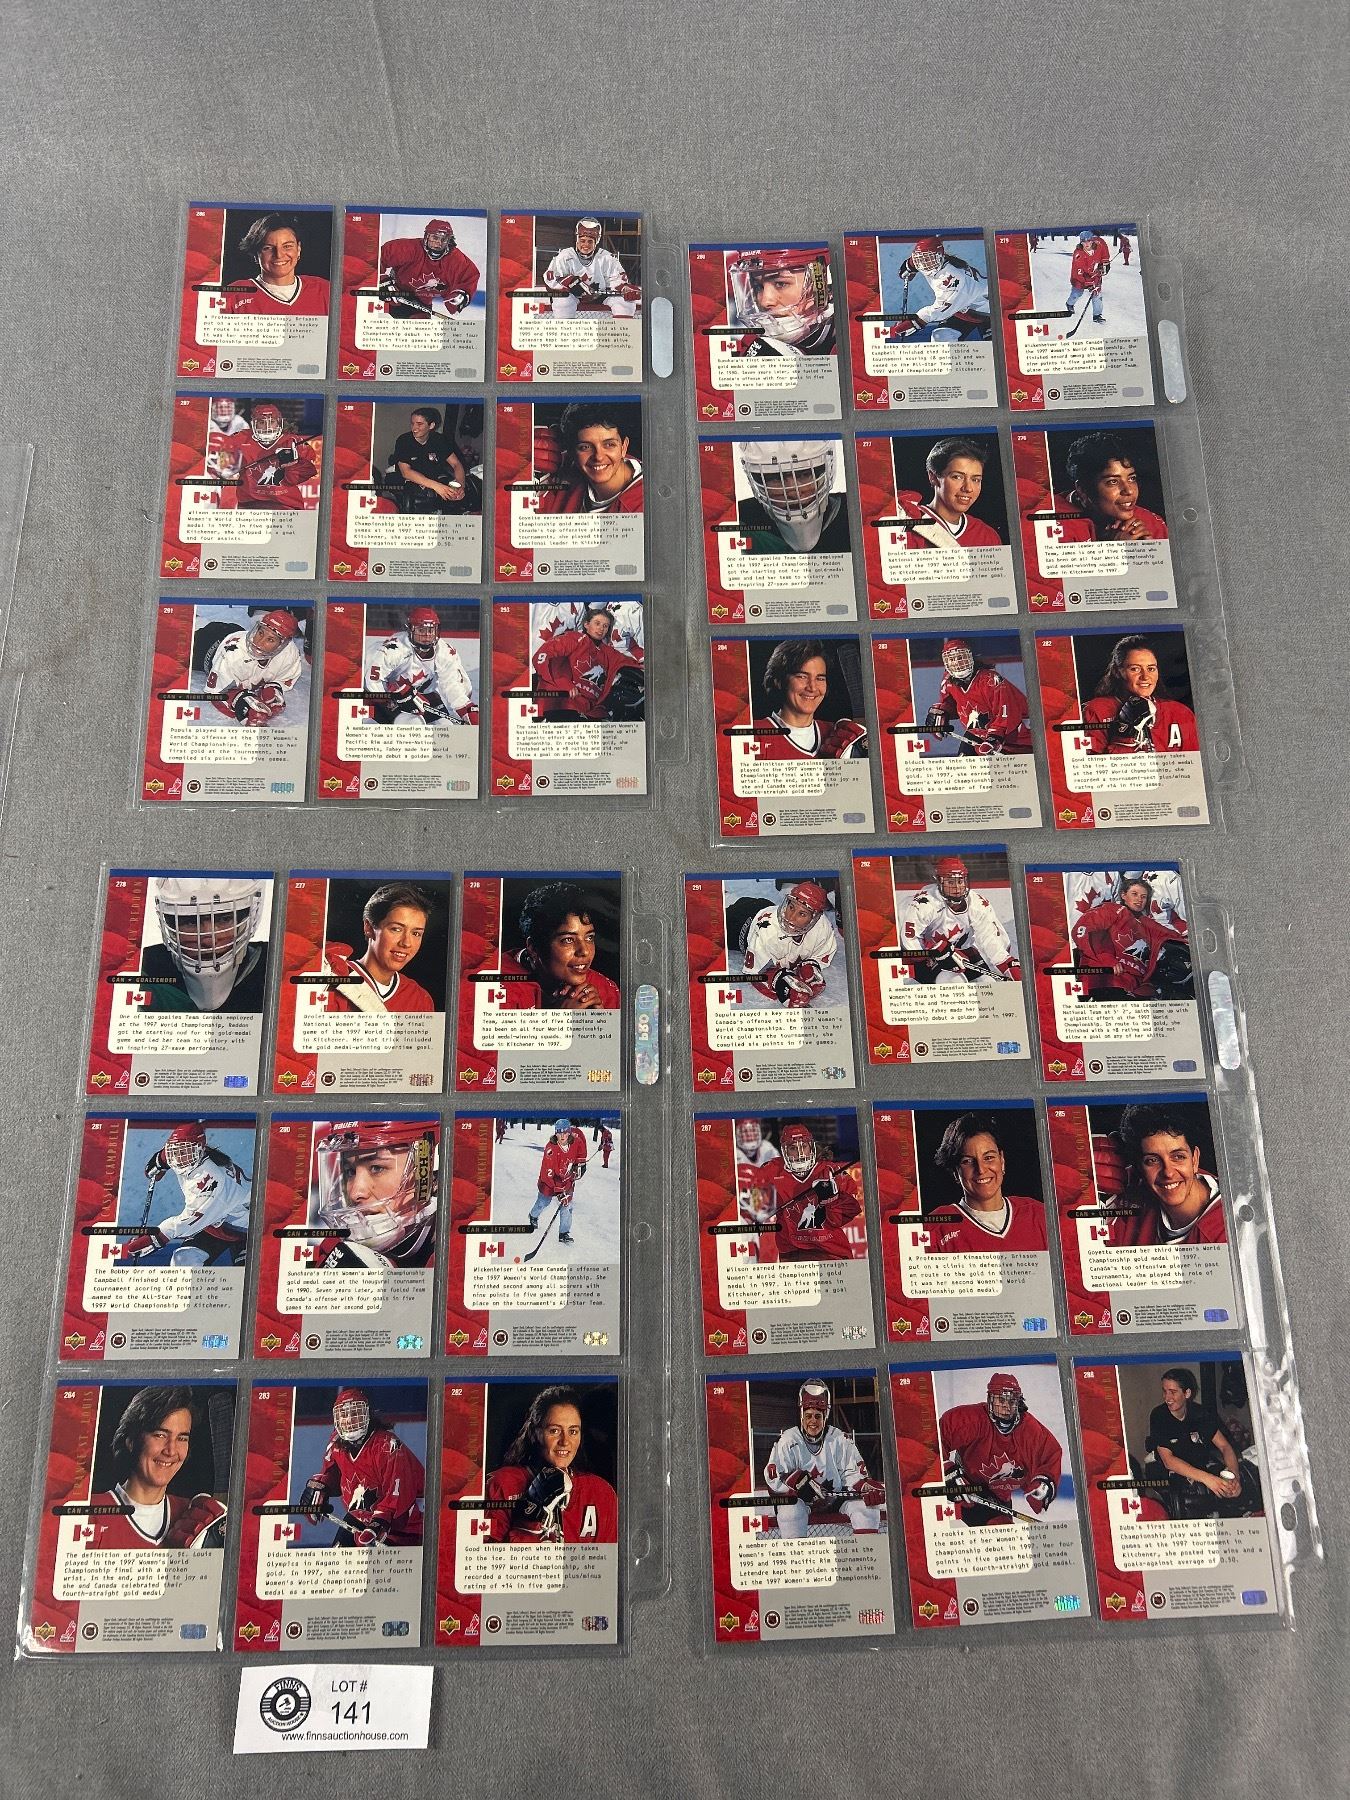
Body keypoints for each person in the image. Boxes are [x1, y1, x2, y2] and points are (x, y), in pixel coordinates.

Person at [87, 1385, 226, 1548]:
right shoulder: (88, 1511)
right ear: (131, 1441)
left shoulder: (196, 1514)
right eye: (160, 1435)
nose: (171, 1450)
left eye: (181, 1438)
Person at [485, 1385, 618, 1542]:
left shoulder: (600, 1492)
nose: (565, 1441)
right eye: (554, 1430)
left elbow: (611, 1556)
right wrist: (529, 1522)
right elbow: (485, 1556)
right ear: (535, 1433)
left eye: (573, 1431)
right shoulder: (502, 1485)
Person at [298, 1388, 424, 1547]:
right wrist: (321, 1486)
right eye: (344, 1415)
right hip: (361, 1519)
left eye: (355, 1413)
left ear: (367, 1415)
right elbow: (332, 1474)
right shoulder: (336, 1443)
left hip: (404, 1527)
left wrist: (380, 1522)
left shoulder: (387, 1445)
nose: (349, 1420)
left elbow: (399, 1490)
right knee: (338, 1560)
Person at [309, 1119, 438, 1269]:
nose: (355, 1193)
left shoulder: (457, 1260)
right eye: (350, 1172)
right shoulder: (334, 1253)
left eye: (377, 1168)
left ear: (431, 1173)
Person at [118, 1123, 251, 1267]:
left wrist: (156, 1237)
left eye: (183, 1153)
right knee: (183, 1261)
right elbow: (172, 1153)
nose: (177, 1159)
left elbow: (191, 1219)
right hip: (215, 1224)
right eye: (175, 1152)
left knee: (247, 1273)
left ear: (200, 1149)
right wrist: (160, 1161)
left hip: (247, 1228)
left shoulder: (211, 1177)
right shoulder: (195, 1156)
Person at [764, 1380, 885, 1537]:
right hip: (801, 1502)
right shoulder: (788, 1440)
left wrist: (865, 1487)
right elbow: (774, 1482)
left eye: (817, 1416)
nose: (813, 1421)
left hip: (836, 1499)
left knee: (867, 1510)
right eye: (808, 1416)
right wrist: (792, 1481)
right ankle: (797, 1553)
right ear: (801, 1415)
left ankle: (864, 1553)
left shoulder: (839, 1438)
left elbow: (852, 1475)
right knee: (790, 1513)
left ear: (825, 1416)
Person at [939, 1372, 1061, 1526]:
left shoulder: (1030, 1431)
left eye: (1012, 1401)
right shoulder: (971, 1420)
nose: (1006, 1407)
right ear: (990, 1400)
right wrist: (946, 1472)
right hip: (966, 1484)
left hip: (999, 1495)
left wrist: (1043, 1484)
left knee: (1004, 1532)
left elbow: (1050, 1455)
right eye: (1001, 1400)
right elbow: (933, 1441)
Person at [1095, 1104, 1226, 1246]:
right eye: (1152, 1160)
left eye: (1178, 1157)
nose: (1168, 1172)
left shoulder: (1228, 1227)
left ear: (1195, 1159)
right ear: (1139, 1167)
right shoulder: (1130, 1192)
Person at [141, 875, 269, 1013]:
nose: (209, 941)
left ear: (245, 921)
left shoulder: (273, 965)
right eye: (191, 922)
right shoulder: (145, 968)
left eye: (224, 919)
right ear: (171, 926)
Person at [1146, 1369, 1259, 1518]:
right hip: (1172, 1472)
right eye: (1165, 1391)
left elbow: (1224, 1446)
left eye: (1172, 1392)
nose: (1167, 1397)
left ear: (1187, 1393)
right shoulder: (1159, 1416)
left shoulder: (1200, 1413)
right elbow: (1168, 1461)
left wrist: (1234, 1476)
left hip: (1200, 1467)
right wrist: (1208, 1479)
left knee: (1242, 1484)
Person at [926, 1113, 1046, 1252]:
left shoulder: (1039, 1214)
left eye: (988, 1157)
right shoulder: (935, 1227)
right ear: (955, 1171)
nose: (981, 1170)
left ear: (1002, 1160)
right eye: (967, 1161)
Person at [744, 1122, 863, 1260]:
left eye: (804, 1147)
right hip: (792, 1252)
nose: (800, 1153)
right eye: (793, 1148)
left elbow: (842, 1217)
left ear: (811, 1147)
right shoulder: (771, 1171)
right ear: (784, 1151)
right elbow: (752, 1205)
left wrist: (833, 1198)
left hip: (830, 1251)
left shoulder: (830, 1171)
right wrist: (754, 1218)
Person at [495, 881, 620, 1010]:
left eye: (589, 937)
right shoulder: (496, 987)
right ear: (533, 948)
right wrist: (560, 1019)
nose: (585, 951)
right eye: (568, 940)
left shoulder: (605, 990)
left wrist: (602, 1020)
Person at [1070, 874, 1192, 1000]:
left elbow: (1170, 935)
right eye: (1134, 894)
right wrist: (1106, 958)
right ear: (1123, 895)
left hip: (1134, 987)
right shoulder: (1111, 909)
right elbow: (1083, 930)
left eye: (1143, 896)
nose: (1139, 899)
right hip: (1106, 980)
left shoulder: (1145, 922)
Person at [901, 856, 1020, 984]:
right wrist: (932, 952)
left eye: (960, 881)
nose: (957, 888)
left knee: (988, 983)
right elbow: (909, 941)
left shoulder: (978, 904)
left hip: (963, 952)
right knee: (955, 982)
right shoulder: (924, 904)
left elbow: (990, 939)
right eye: (951, 882)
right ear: (939, 882)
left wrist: (1007, 964)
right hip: (929, 957)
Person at [324, 882, 435, 1015]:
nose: (406, 943)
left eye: (416, 933)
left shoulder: (419, 998)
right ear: (369, 928)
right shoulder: (332, 978)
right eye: (396, 929)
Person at [752, 638, 867, 759]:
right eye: (802, 676)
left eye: (820, 678)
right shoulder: (753, 734)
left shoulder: (840, 734)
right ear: (778, 681)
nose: (812, 687)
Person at [1081, 636, 1199, 753]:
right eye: (1135, 669)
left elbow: (1195, 762)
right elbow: (1091, 763)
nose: (1145, 677)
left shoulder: (1180, 712)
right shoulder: (1097, 710)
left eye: (1151, 669)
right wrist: (1125, 735)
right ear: (1117, 672)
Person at [733, 440, 850, 555]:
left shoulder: (854, 514)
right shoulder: (739, 521)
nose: (794, 493)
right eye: (775, 478)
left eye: (804, 474)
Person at [531, 604, 644, 722]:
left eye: (605, 626)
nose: (601, 629)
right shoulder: (574, 638)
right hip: (564, 703)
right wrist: (564, 683)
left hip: (590, 711)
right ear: (586, 624)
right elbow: (544, 656)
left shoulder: (608, 652)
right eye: (597, 623)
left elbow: (631, 663)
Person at [738, 880, 841, 1008]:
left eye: (802, 914)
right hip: (742, 920)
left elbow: (820, 956)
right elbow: (755, 973)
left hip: (765, 906)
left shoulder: (822, 927)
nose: (791, 918)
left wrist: (810, 968)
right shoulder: (767, 930)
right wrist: (779, 982)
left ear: (814, 918)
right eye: (791, 907)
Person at [922, 638, 1033, 754]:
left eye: (960, 658)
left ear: (970, 657)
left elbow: (1007, 712)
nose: (956, 663)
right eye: (952, 659)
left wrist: (994, 737)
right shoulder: (948, 681)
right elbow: (953, 704)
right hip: (979, 734)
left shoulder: (990, 680)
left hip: (1015, 738)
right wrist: (942, 712)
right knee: (963, 764)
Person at [371, 606, 477, 725]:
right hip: (387, 699)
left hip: (422, 696)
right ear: (410, 630)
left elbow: (451, 685)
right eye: (421, 630)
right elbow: (372, 683)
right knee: (414, 724)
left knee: (446, 725)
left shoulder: (444, 652)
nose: (427, 635)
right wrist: (392, 695)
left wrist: (466, 709)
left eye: (431, 630)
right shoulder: (393, 649)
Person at [894, 436, 1004, 549]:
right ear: (933, 477)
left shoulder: (987, 535)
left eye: (975, 479)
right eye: (957, 477)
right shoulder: (906, 523)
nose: (968, 488)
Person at [1057, 434, 1167, 543]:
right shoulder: (1054, 525)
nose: (1129, 491)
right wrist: (1114, 549)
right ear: (1082, 490)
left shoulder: (1151, 523)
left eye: (1131, 478)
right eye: (1113, 482)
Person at [202, 608, 304, 725]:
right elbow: (215, 693)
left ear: (283, 645)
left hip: (234, 630)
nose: (259, 643)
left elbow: (284, 679)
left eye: (270, 639)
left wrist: (273, 689)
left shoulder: (289, 653)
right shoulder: (234, 654)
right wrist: (238, 701)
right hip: (208, 644)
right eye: (260, 633)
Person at [538, 403, 643, 515]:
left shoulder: (644, 504)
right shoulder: (563, 470)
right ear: (571, 451)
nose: (599, 457)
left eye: (609, 444)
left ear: (624, 447)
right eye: (585, 447)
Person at [727, 247, 835, 356]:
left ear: (824, 282)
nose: (765, 301)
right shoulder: (752, 344)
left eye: (781, 284)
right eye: (758, 287)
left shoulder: (844, 339)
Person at [226, 211, 330, 316]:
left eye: (287, 246)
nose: (279, 255)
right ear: (256, 254)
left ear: (298, 249)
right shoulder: (232, 295)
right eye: (268, 248)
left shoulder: (325, 290)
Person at [890, 235, 990, 342]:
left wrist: (916, 321)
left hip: (990, 311)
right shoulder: (936, 262)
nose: (923, 264)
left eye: (927, 259)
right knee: (940, 338)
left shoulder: (953, 277)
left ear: (940, 256)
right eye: (920, 260)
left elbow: (941, 309)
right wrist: (909, 266)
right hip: (962, 311)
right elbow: (919, 259)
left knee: (996, 345)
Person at [379, 217, 479, 316]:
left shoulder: (455, 259)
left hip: (421, 302)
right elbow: (376, 258)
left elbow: (469, 276)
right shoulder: (409, 248)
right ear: (426, 236)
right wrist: (382, 281)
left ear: (449, 241)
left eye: (444, 239)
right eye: (435, 238)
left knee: (420, 324)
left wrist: (461, 295)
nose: (439, 243)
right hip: (394, 292)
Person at [542, 217, 640, 319]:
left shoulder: (607, 257)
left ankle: (621, 329)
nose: (586, 245)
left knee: (625, 302)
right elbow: (551, 281)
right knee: (562, 301)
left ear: (596, 241)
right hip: (573, 296)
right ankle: (566, 329)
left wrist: (625, 289)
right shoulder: (565, 255)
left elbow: (617, 281)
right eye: (582, 240)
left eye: (590, 241)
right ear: (577, 239)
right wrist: (569, 282)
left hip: (600, 295)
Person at [231, 402, 318, 510]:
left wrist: (292, 465)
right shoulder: (241, 439)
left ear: (279, 423)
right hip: (250, 504)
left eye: (272, 422)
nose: (267, 427)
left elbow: (303, 474)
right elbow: (222, 463)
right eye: (262, 422)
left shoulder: (293, 441)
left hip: (285, 504)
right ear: (254, 424)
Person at [389, 407, 470, 513]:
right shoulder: (404, 440)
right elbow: (406, 472)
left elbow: (456, 464)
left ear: (431, 425)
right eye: (412, 423)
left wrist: (460, 486)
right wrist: (437, 486)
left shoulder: (439, 440)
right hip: (409, 482)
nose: (414, 428)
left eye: (419, 424)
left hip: (433, 480)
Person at [526, 1118, 589, 1245]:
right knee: (543, 1202)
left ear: (569, 1132)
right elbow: (548, 1173)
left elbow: (581, 1152)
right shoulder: (551, 1149)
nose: (562, 1136)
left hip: (566, 1179)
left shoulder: (576, 1141)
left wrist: (580, 1164)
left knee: (567, 1205)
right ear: (555, 1133)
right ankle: (533, 1215)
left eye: (565, 1132)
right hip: (549, 1181)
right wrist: (559, 1192)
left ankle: (564, 1233)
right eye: (559, 1133)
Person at [1066, 228, 1111, 325]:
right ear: (1081, 242)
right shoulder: (1078, 254)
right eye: (1084, 242)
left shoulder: (1098, 245)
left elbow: (1104, 253)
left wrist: (1104, 264)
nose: (1086, 244)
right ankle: (1069, 304)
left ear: (1092, 241)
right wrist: (1089, 284)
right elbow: (1079, 273)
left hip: (1094, 275)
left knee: (1097, 294)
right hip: (1079, 278)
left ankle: (1097, 315)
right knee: (1077, 293)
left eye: (1089, 241)